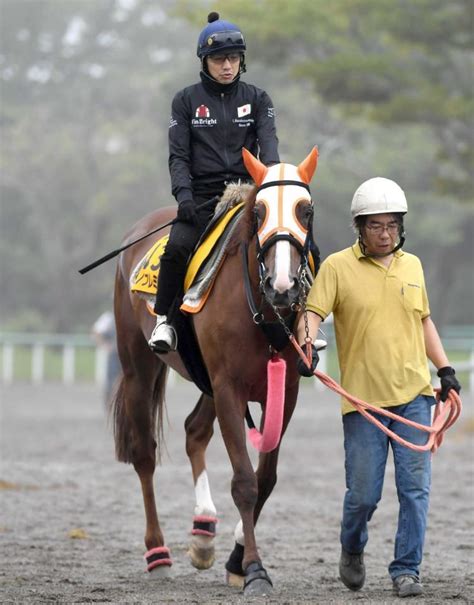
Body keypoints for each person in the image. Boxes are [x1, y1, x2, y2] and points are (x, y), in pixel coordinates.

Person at [295, 177, 461, 598]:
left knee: (415, 491)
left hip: (415, 398)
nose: (385, 233)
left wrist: (444, 370)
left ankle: (407, 570)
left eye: (392, 225)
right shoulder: (336, 267)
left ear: (401, 226)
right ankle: (352, 546)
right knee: (364, 495)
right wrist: (308, 344)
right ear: (359, 227)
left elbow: (423, 321)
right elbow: (312, 313)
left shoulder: (413, 266)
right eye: (375, 226)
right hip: (363, 403)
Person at [148, 11, 279, 353]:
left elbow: (271, 153)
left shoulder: (259, 100)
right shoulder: (185, 101)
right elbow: (178, 157)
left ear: (241, 61)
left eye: (233, 58)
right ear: (205, 62)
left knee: (297, 240)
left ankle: (307, 322)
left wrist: (272, 189)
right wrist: (184, 196)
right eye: (219, 59)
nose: (227, 66)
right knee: (176, 247)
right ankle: (164, 320)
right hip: (203, 198)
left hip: (248, 194)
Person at [91, 311, 121, 408]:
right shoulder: (108, 318)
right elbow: (96, 332)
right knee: (111, 381)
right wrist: (104, 345)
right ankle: (109, 404)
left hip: (127, 355)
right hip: (114, 355)